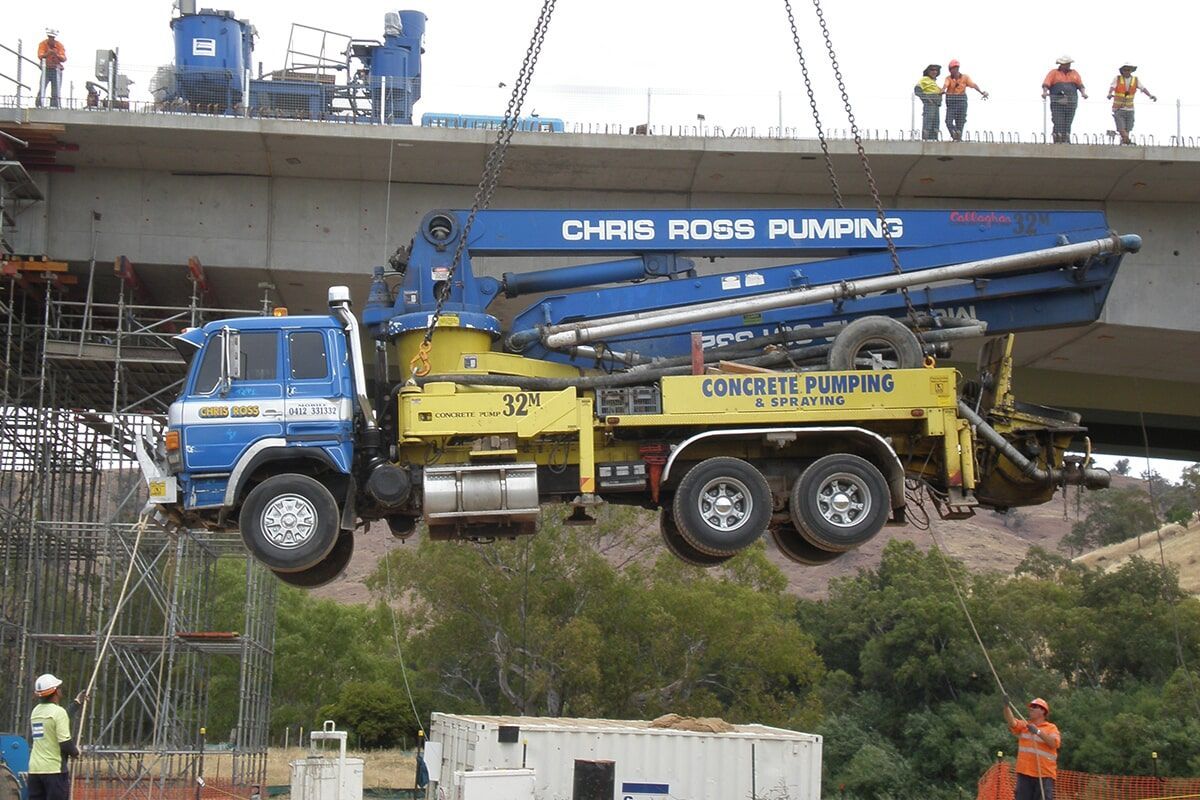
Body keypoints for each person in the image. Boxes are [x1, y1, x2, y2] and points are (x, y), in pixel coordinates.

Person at [28, 674, 85, 800]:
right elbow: (65, 743)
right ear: (56, 691)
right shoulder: (58, 712)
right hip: (54, 771)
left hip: (35, 770)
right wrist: (75, 752)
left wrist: (76, 703)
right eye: (59, 688)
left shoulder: (35, 711)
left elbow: (56, 718)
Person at [1004, 696, 1060, 800]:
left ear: (1043, 711)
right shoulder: (1024, 726)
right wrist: (1006, 707)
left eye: (1035, 707)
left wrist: (1038, 732)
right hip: (1024, 774)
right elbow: (1012, 722)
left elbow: (1054, 743)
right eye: (1031, 706)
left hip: (1044, 775)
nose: (1031, 708)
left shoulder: (1051, 728)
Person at [1107, 62, 1156, 145]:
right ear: (1122, 71)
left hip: (1130, 108)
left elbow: (1143, 88)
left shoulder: (1135, 80)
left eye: (1128, 70)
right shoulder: (1117, 79)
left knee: (1128, 128)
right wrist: (1109, 93)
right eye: (1125, 70)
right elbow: (1112, 87)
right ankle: (1127, 141)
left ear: (1131, 71)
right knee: (1121, 128)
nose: (1127, 71)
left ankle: (1125, 142)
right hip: (1118, 108)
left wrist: (1150, 95)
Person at [1042, 56, 1087, 143]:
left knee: (1068, 121)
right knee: (1058, 120)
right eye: (1066, 64)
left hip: (1071, 101)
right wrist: (1045, 92)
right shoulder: (1054, 73)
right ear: (1061, 64)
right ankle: (1058, 138)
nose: (1068, 65)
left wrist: (1083, 93)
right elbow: (1046, 84)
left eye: (1069, 64)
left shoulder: (1074, 73)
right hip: (1058, 101)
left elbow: (1080, 85)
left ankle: (1066, 138)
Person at [942, 59, 989, 141]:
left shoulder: (965, 77)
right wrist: (943, 90)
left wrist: (981, 92)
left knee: (960, 120)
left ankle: (958, 137)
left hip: (961, 100)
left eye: (957, 68)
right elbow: (946, 85)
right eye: (953, 68)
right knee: (948, 121)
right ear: (950, 70)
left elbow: (973, 85)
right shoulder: (948, 78)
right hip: (951, 101)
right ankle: (954, 134)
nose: (955, 69)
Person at [36, 30, 67, 109]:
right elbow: (40, 55)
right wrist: (48, 53)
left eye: (52, 38)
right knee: (42, 87)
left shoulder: (59, 45)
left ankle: (54, 106)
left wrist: (56, 54)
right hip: (46, 69)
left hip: (56, 70)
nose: (51, 39)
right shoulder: (43, 44)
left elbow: (63, 58)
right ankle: (39, 104)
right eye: (50, 37)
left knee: (56, 90)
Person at [915, 64, 943, 141]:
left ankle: (934, 138)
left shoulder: (933, 82)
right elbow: (917, 90)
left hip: (936, 104)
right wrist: (927, 99)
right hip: (930, 103)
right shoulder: (924, 79)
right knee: (928, 120)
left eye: (936, 70)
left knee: (936, 122)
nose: (934, 72)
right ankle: (926, 138)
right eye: (932, 70)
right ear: (928, 71)